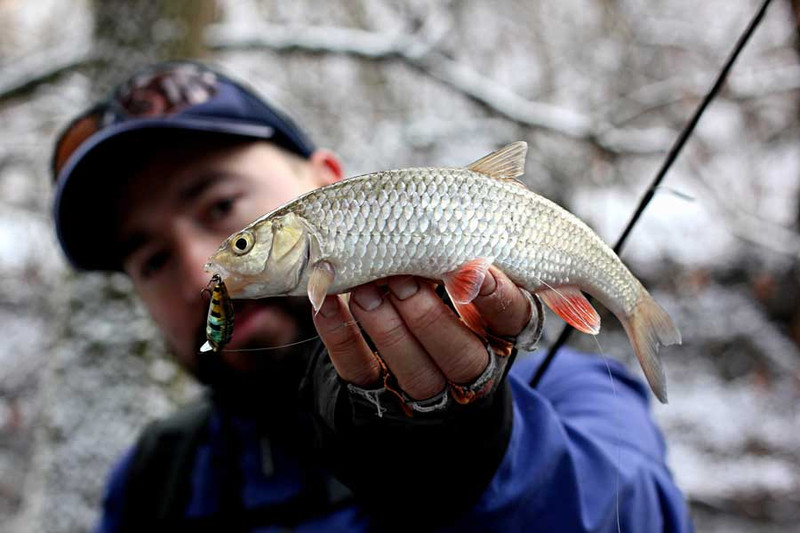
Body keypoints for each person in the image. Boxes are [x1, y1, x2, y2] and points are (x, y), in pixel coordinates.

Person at [51, 61, 693, 532]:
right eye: (153, 259)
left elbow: (638, 513)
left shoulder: (574, 395)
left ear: (327, 182)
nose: (200, 271)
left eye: (222, 208)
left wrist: (484, 453)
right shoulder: (151, 483)